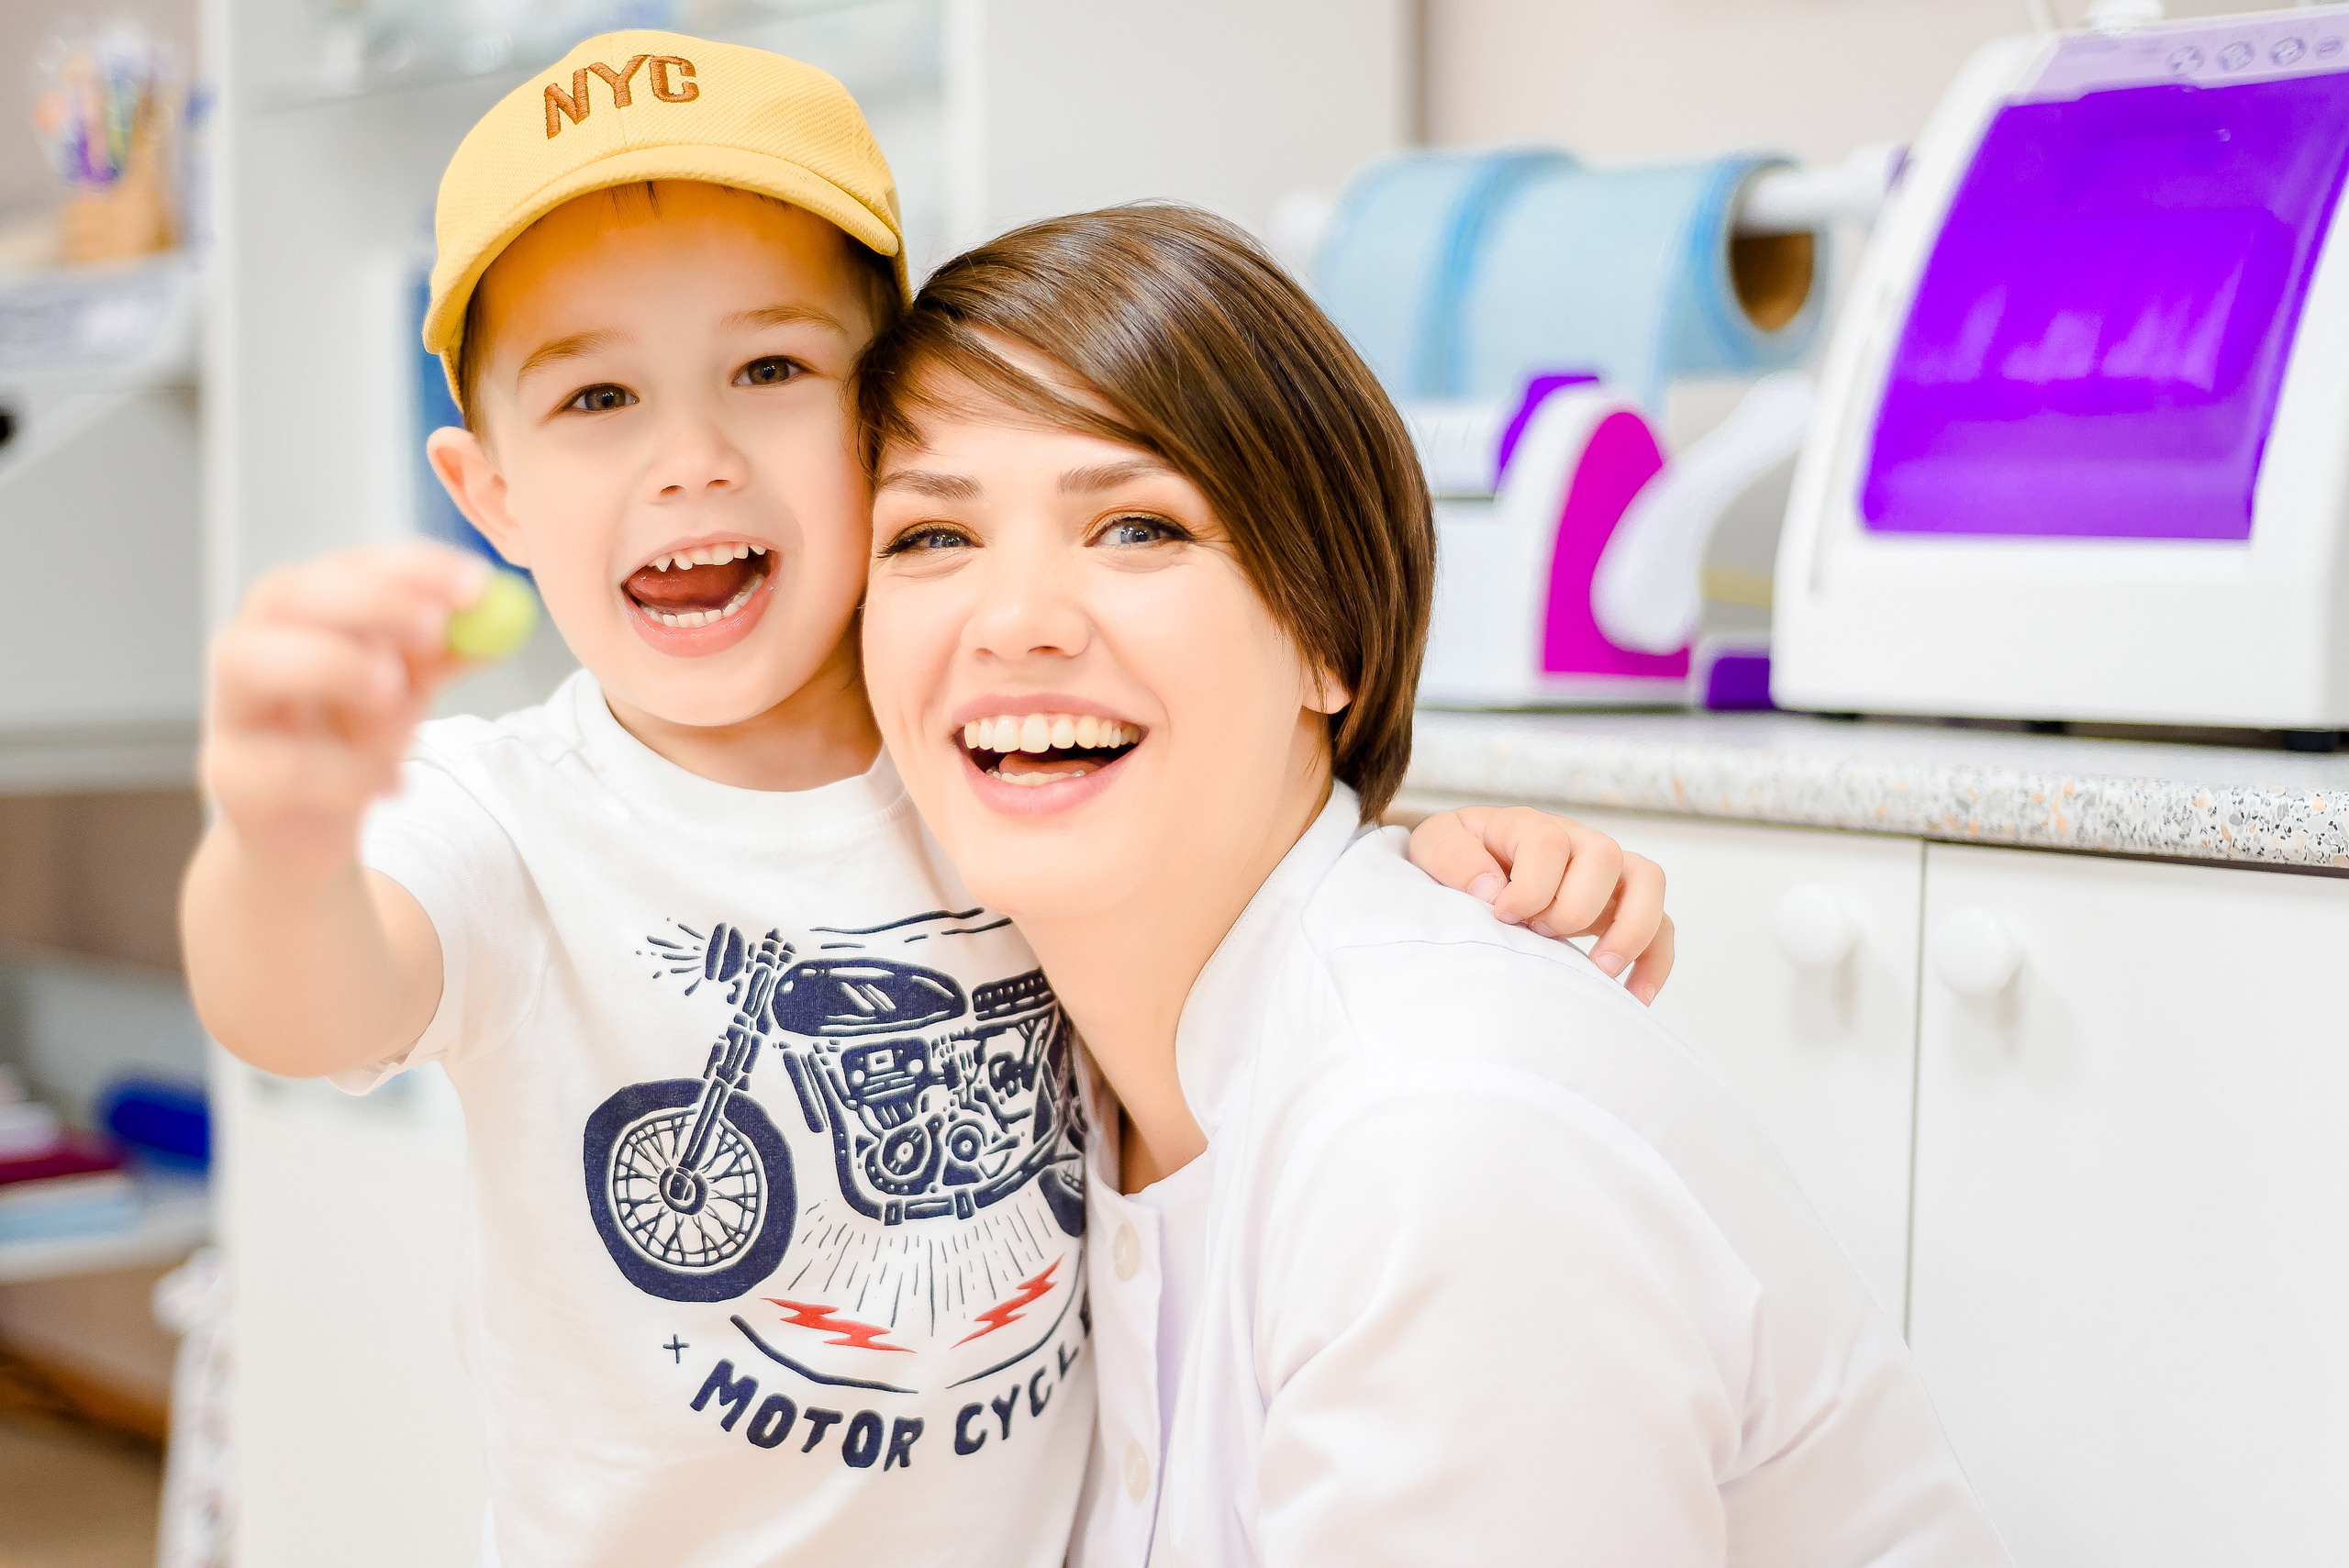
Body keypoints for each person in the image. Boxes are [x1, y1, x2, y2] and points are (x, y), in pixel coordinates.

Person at [178, 33, 1675, 1568]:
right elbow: (310, 1000)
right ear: (486, 490)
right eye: (597, 397)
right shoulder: (505, 812)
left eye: (770, 371)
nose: (690, 458)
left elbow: (1239, 865)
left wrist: (1436, 855)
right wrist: (282, 848)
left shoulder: (987, 750)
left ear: (881, 425)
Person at [854, 205, 2013, 1567]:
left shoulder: (1432, 1138)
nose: (1017, 618)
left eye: (1138, 527)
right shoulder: (1046, 1059)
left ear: (1327, 640)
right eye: (931, 538)